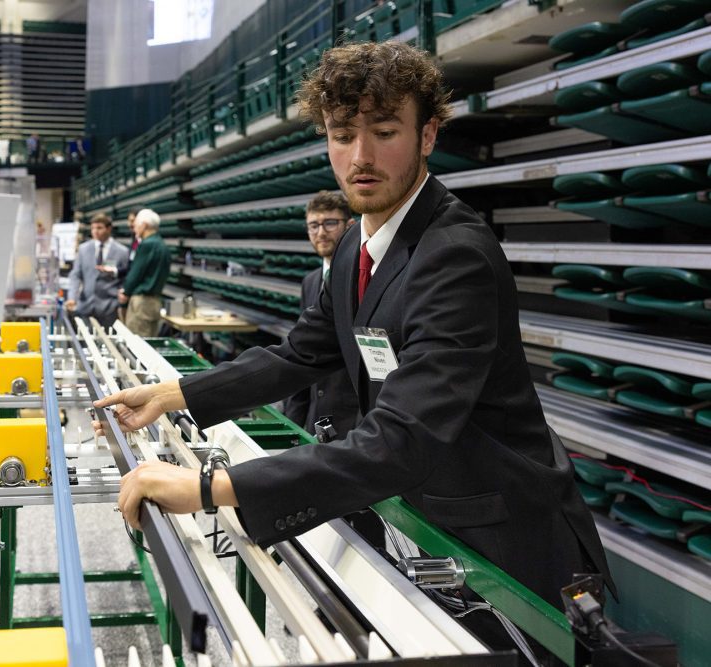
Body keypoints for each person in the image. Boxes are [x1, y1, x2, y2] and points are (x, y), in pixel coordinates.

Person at [98, 42, 613, 615]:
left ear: (428, 136)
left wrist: (205, 488)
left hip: (500, 543)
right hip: (421, 512)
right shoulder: (354, 244)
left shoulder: (455, 255)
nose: (361, 156)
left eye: (385, 131)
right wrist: (169, 397)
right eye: (343, 135)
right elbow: (300, 354)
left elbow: (401, 439)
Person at [283, 190, 360, 439]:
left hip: (354, 421)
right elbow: (304, 350)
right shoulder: (311, 281)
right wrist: (293, 425)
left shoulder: (364, 277)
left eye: (329, 223)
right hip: (316, 418)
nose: (321, 232)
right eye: (313, 225)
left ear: (350, 225)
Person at [65, 213, 130, 328]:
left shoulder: (122, 252)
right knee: (84, 342)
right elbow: (75, 275)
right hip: (86, 305)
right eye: (93, 228)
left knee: (108, 342)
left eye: (99, 228)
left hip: (109, 307)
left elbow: (125, 277)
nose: (95, 231)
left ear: (109, 229)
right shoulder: (83, 249)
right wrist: (72, 297)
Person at [119, 208, 171, 337]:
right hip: (155, 301)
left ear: (144, 225)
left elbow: (136, 272)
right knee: (150, 343)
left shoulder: (146, 245)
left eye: (136, 225)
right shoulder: (162, 245)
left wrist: (126, 291)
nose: (134, 229)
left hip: (141, 302)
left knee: (136, 344)